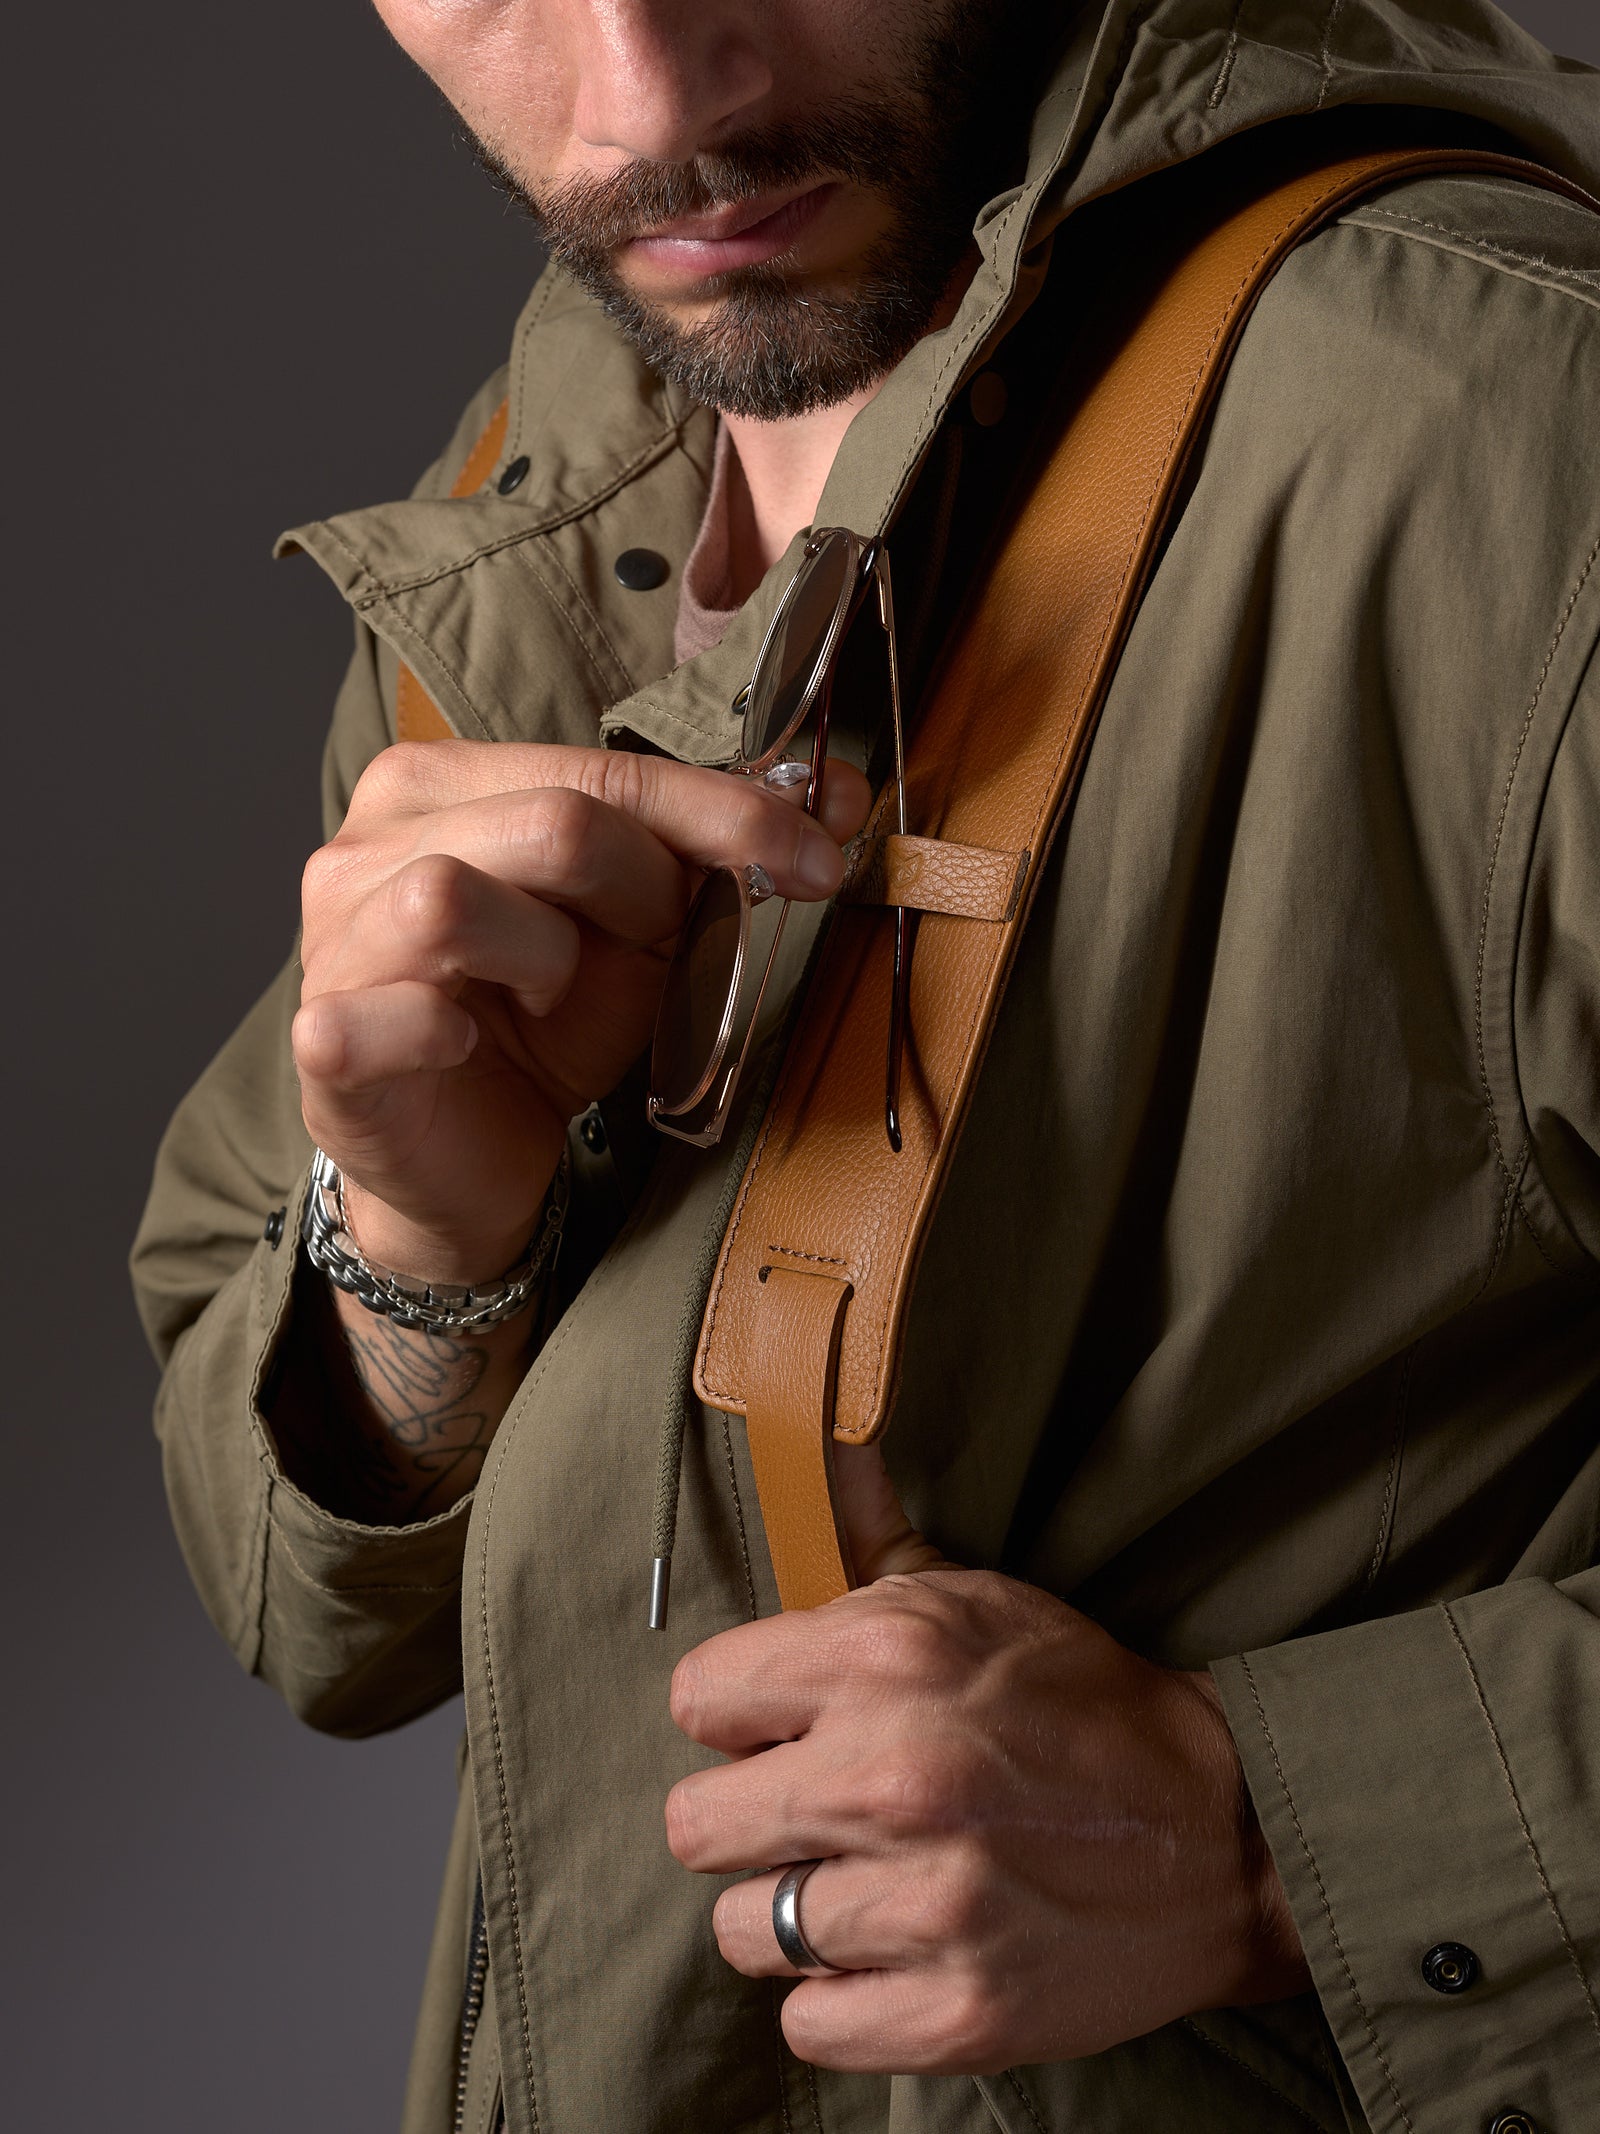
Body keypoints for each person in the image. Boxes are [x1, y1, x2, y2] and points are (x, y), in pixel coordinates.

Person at [132, 2, 1600, 2129]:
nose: (651, 102)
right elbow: (306, 1603)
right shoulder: (570, 463)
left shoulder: (1511, 437)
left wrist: (1279, 1834)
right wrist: (427, 1250)